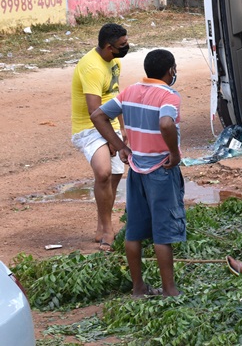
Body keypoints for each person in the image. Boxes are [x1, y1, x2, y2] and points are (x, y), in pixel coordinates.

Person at [90, 49, 183, 297]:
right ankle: (170, 290)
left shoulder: (129, 91)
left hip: (136, 170)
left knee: (135, 231)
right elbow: (166, 123)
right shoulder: (169, 96)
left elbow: (98, 115)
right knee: (163, 233)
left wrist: (121, 147)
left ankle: (138, 287)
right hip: (161, 170)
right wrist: (174, 153)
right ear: (170, 71)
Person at [71, 22, 129, 252]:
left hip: (109, 124)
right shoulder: (92, 68)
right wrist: (108, 140)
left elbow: (115, 96)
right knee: (103, 172)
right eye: (122, 45)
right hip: (89, 127)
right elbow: (94, 113)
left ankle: (100, 224)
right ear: (108, 47)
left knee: (115, 175)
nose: (127, 47)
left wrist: (122, 129)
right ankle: (107, 229)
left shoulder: (114, 61)